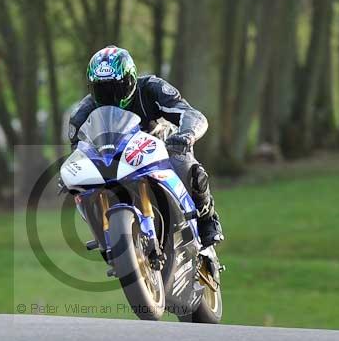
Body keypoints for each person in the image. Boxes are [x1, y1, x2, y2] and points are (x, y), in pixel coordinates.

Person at [68, 46, 224, 247]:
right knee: (83, 189)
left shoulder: (151, 89)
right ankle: (106, 235)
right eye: (102, 91)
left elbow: (191, 114)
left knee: (184, 162)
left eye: (117, 88)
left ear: (132, 80)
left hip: (161, 154)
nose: (111, 97)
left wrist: (186, 135)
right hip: (114, 164)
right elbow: (78, 152)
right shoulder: (81, 114)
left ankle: (206, 219)